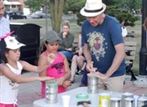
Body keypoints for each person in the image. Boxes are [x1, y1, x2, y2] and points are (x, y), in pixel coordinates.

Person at [80, 0, 126, 92]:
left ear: (102, 13)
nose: (91, 20)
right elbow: (85, 48)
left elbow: (121, 53)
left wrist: (106, 75)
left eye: (94, 17)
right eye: (88, 17)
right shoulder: (85, 25)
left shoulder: (112, 24)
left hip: (114, 75)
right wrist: (89, 61)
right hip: (96, 73)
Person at [0, 36, 53, 107]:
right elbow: (17, 79)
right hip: (3, 103)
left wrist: (48, 63)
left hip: (13, 102)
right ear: (6, 54)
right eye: (15, 51)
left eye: (19, 50)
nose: (18, 53)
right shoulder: (3, 67)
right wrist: (38, 78)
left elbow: (38, 69)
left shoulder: (21, 63)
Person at [38, 31, 71, 97]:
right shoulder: (43, 57)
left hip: (62, 91)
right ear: (46, 44)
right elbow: (42, 78)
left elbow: (68, 72)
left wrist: (64, 79)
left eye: (56, 44)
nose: (55, 47)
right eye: (52, 45)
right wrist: (57, 82)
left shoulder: (62, 56)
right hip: (49, 92)